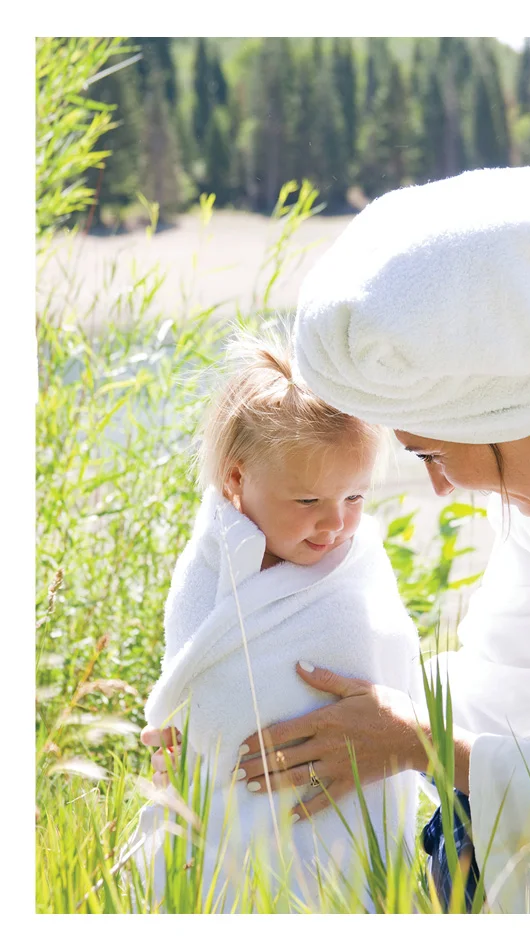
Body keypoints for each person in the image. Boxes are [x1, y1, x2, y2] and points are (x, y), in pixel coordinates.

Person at [145, 166, 530, 913]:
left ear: (501, 412)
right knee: (467, 850)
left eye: (429, 453)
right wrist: (245, 714)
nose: (442, 487)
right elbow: (499, 688)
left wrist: (417, 743)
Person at [135, 328, 422, 913]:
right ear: (237, 480)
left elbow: (389, 660)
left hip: (340, 810)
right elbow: (194, 668)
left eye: (354, 497)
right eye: (308, 501)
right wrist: (191, 732)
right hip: (237, 804)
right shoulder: (209, 565)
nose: (335, 524)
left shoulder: (356, 569)